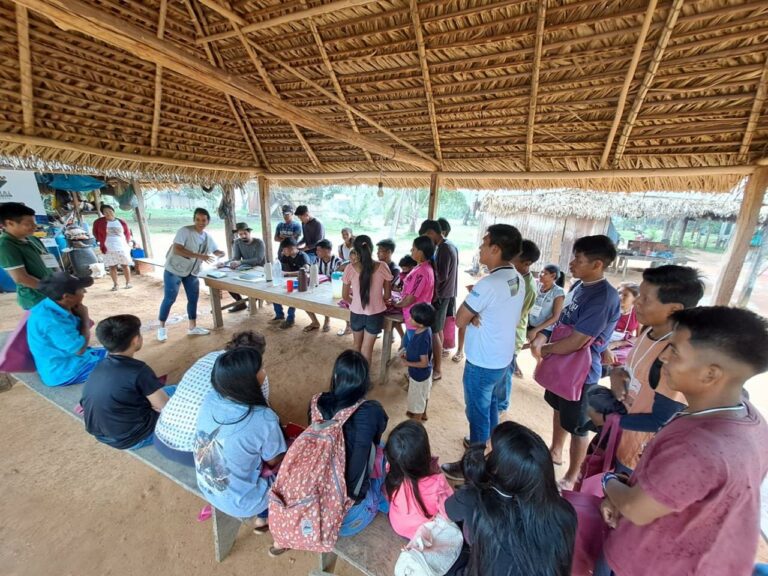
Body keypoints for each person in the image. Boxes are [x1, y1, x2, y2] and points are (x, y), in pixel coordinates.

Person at [598, 307, 768, 576]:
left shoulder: (698, 447)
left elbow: (636, 509)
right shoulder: (749, 418)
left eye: (675, 351)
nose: (663, 357)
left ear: (710, 374)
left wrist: (610, 484)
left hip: (653, 566)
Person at [586, 266, 704, 472]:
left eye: (646, 299)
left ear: (674, 309)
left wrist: (606, 420)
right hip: (618, 437)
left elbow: (660, 421)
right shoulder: (648, 330)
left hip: (637, 455)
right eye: (639, 295)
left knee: (616, 499)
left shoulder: (676, 355)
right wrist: (616, 373)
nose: (637, 302)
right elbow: (636, 369)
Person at [532, 235, 620, 490]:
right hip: (562, 367)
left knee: (579, 426)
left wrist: (546, 348)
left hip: (580, 373)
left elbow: (578, 341)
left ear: (598, 264)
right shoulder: (580, 286)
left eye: (578, 260)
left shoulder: (604, 297)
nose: (571, 264)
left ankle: (573, 475)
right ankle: (555, 450)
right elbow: (562, 322)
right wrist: (544, 335)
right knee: (559, 409)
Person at [441, 225, 524, 480]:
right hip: (501, 359)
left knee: (477, 413)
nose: (480, 248)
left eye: (484, 243)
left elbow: (460, 319)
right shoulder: (517, 277)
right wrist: (476, 312)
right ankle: (491, 452)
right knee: (489, 407)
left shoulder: (488, 284)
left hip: (483, 361)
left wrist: (473, 312)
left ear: (496, 249)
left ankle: (474, 467)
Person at [444, 422, 577, 576]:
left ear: (496, 469)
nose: (482, 449)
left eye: (487, 448)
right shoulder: (566, 512)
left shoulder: (473, 499)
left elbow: (447, 510)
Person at [194, 347, 286, 529]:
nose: (264, 372)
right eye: (261, 368)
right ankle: (264, 516)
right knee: (297, 465)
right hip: (244, 502)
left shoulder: (211, 398)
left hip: (208, 489)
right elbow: (274, 461)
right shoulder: (263, 417)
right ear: (248, 381)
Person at [154, 331, 269, 465]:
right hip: (195, 454)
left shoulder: (210, 356)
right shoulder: (257, 373)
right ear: (257, 356)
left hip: (160, 438)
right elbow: (262, 410)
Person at [315, 350, 388, 538]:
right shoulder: (371, 410)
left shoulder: (316, 403)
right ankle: (390, 507)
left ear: (336, 376)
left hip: (315, 509)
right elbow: (377, 438)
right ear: (364, 382)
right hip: (350, 518)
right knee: (386, 454)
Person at [81, 315, 173, 450]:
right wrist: (159, 406)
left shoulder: (100, 365)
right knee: (183, 397)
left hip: (103, 434)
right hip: (133, 438)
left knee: (171, 390)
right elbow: (166, 407)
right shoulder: (139, 370)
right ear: (136, 340)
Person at [27, 271, 107, 387]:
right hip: (65, 371)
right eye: (81, 290)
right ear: (67, 297)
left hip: (66, 359)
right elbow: (79, 350)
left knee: (115, 351)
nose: (85, 292)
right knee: (119, 366)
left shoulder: (52, 304)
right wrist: (84, 317)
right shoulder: (52, 321)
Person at [157, 208, 225, 342]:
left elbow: (215, 250)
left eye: (204, 220)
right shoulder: (185, 231)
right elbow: (177, 249)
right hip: (174, 270)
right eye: (198, 219)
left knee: (193, 299)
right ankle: (161, 328)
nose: (201, 222)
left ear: (208, 221)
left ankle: (192, 327)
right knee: (170, 298)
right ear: (194, 220)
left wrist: (220, 253)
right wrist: (200, 256)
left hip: (192, 272)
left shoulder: (207, 237)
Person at [385, 420, 453, 540]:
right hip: (420, 533)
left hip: (397, 524)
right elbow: (449, 513)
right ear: (425, 451)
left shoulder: (391, 469)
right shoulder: (438, 483)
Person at [498, 239, 540, 416]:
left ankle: (501, 405)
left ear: (526, 263)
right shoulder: (515, 277)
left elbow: (515, 313)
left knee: (505, 373)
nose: (509, 261)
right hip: (503, 332)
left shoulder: (529, 286)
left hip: (511, 335)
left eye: (514, 258)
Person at [342, 235, 392, 365]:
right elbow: (387, 296)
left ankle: (356, 378)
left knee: (356, 346)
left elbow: (345, 296)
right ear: (371, 248)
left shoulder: (349, 268)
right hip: (375, 314)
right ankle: (365, 380)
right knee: (367, 349)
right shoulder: (383, 266)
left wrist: (356, 302)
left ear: (355, 250)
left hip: (356, 313)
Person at [419, 219, 458, 381]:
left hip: (441, 295)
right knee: (439, 329)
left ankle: (437, 369)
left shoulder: (443, 249)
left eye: (426, 237)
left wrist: (427, 266)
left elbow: (441, 276)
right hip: (446, 293)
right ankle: (437, 359)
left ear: (431, 233)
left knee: (435, 331)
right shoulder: (449, 245)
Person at [0, 202, 56, 309]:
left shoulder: (32, 239)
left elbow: (51, 263)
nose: (35, 226)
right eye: (28, 224)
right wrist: (53, 290)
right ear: (10, 223)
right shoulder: (5, 246)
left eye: (34, 222)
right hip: (36, 298)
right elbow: (21, 278)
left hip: (52, 293)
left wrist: (64, 281)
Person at [393, 236, 435, 351]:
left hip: (416, 318)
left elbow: (410, 299)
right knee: (408, 346)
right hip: (414, 316)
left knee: (415, 352)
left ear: (420, 252)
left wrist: (396, 304)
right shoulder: (422, 267)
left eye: (414, 248)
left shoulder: (422, 272)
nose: (411, 251)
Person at [400, 303, 435, 421]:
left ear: (420, 324)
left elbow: (424, 362)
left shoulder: (422, 339)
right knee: (424, 395)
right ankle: (423, 414)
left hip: (419, 375)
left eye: (412, 318)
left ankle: (416, 423)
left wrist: (407, 363)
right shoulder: (425, 330)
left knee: (417, 400)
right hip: (425, 374)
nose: (409, 319)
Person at [223, 222, 266, 313]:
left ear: (249, 232)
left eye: (245, 233)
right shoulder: (238, 242)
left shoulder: (259, 242)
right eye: (240, 234)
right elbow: (236, 258)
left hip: (259, 269)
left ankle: (253, 299)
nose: (243, 236)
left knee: (253, 282)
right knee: (227, 280)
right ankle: (240, 302)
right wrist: (224, 263)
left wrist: (240, 262)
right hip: (246, 268)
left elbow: (258, 259)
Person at [92, 204, 133, 291]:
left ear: (113, 212)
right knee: (112, 266)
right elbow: (95, 232)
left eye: (110, 211)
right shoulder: (98, 222)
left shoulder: (121, 222)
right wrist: (101, 241)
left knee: (125, 265)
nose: (108, 213)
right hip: (108, 247)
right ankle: (116, 284)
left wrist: (128, 242)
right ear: (103, 213)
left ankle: (128, 283)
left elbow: (127, 233)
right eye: (105, 212)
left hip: (121, 247)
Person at [272, 237, 310, 329]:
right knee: (273, 291)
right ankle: (279, 315)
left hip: (301, 281)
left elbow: (306, 270)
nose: (283, 251)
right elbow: (279, 266)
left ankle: (290, 319)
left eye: (284, 249)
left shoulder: (303, 256)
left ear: (292, 248)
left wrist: (288, 274)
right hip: (288, 280)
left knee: (292, 297)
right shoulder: (285, 256)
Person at [305, 238, 342, 333]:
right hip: (320, 288)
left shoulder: (338, 262)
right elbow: (312, 273)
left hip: (334, 290)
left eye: (319, 250)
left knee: (330, 302)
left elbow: (337, 278)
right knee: (304, 299)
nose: (317, 252)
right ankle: (315, 322)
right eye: (317, 250)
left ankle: (327, 319)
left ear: (328, 250)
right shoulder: (317, 260)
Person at [603, 283, 640, 367]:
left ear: (635, 299)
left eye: (625, 295)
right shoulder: (608, 309)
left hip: (621, 345)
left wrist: (617, 344)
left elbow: (638, 337)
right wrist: (606, 348)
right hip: (602, 342)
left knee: (629, 357)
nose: (620, 297)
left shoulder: (638, 313)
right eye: (619, 293)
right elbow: (596, 333)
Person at [527, 264, 566, 344]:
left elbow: (555, 317)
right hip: (529, 323)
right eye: (541, 272)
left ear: (553, 276)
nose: (540, 275)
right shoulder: (535, 284)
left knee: (535, 346)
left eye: (544, 273)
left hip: (544, 327)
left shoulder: (558, 292)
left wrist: (535, 330)